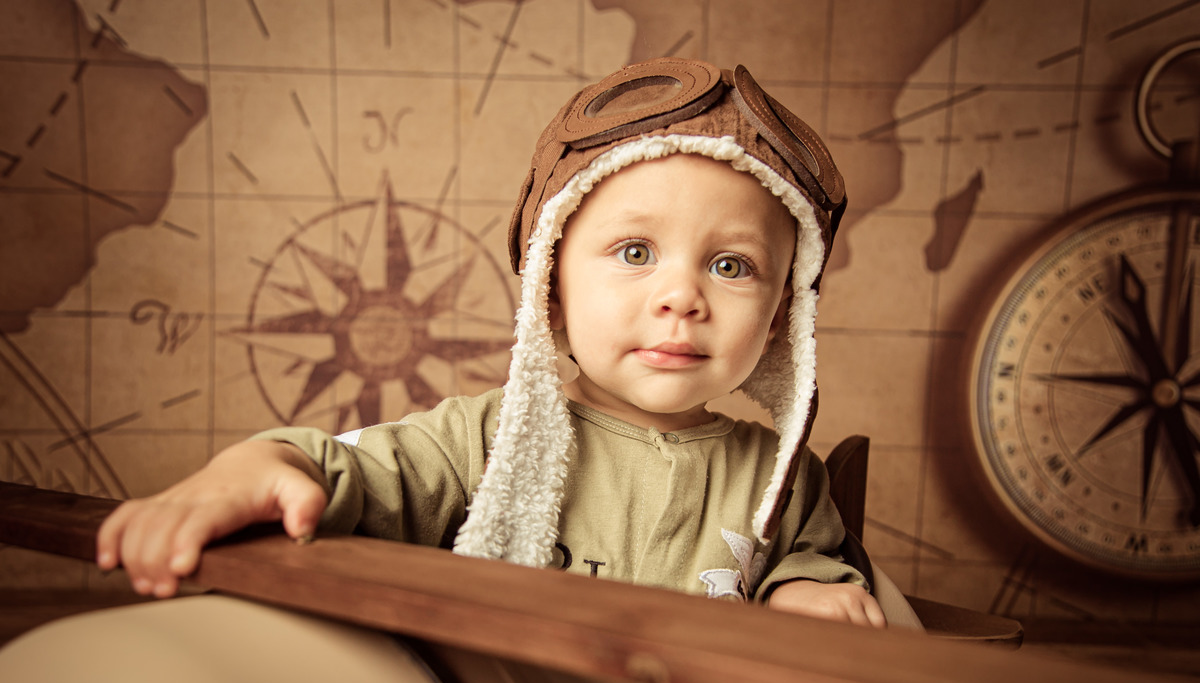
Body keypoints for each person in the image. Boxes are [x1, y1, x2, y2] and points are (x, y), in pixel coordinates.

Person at [97, 57, 886, 628]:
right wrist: (257, 467)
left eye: (731, 265)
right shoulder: (485, 440)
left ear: (780, 318)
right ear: (552, 286)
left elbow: (814, 561)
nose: (681, 297)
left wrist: (804, 593)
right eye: (635, 252)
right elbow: (356, 474)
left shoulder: (783, 477)